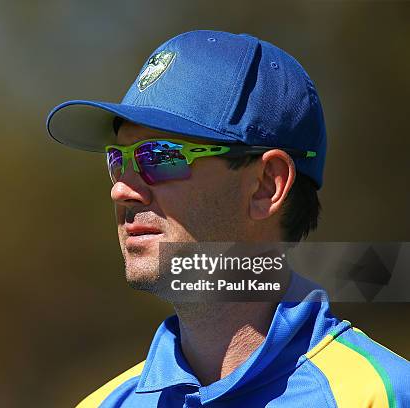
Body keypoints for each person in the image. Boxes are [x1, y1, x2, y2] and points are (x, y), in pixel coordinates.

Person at [46, 30, 409, 407]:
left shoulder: (381, 395)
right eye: (118, 160)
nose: (121, 190)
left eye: (160, 156)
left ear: (266, 185)